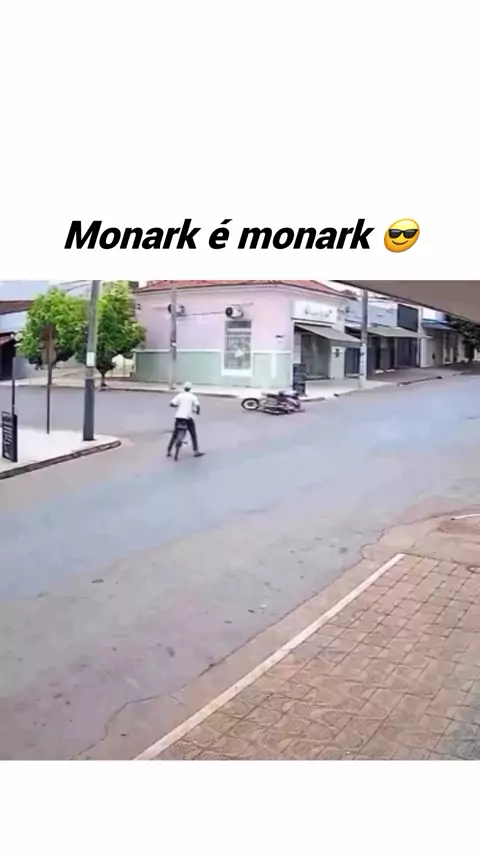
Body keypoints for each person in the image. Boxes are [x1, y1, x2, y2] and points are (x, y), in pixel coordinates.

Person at [167, 381, 204, 457]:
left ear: (184, 388)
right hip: (188, 418)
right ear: (190, 388)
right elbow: (197, 406)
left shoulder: (179, 395)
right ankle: (196, 451)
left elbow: (171, 404)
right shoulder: (193, 396)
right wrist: (197, 412)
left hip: (178, 417)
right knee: (193, 434)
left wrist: (177, 406)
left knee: (175, 434)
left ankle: (169, 450)